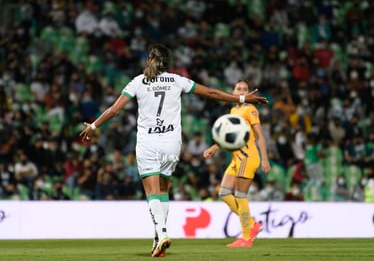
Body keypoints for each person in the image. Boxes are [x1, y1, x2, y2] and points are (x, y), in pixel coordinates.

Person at [80, 44, 267, 257]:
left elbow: (114, 110)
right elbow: (212, 93)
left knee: (151, 192)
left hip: (148, 143)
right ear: (168, 62)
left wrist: (93, 126)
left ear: (149, 60)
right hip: (171, 143)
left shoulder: (138, 81)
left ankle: (162, 233)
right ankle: (156, 240)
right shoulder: (178, 80)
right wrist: (243, 98)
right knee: (163, 190)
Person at [203, 80, 271, 248]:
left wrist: (265, 158)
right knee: (224, 193)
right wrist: (215, 147)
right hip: (236, 159)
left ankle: (246, 238)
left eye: (245, 89)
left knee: (240, 197)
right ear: (233, 92)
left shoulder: (251, 109)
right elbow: (229, 136)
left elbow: (260, 136)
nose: (242, 90)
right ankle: (252, 224)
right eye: (238, 88)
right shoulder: (233, 110)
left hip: (247, 157)